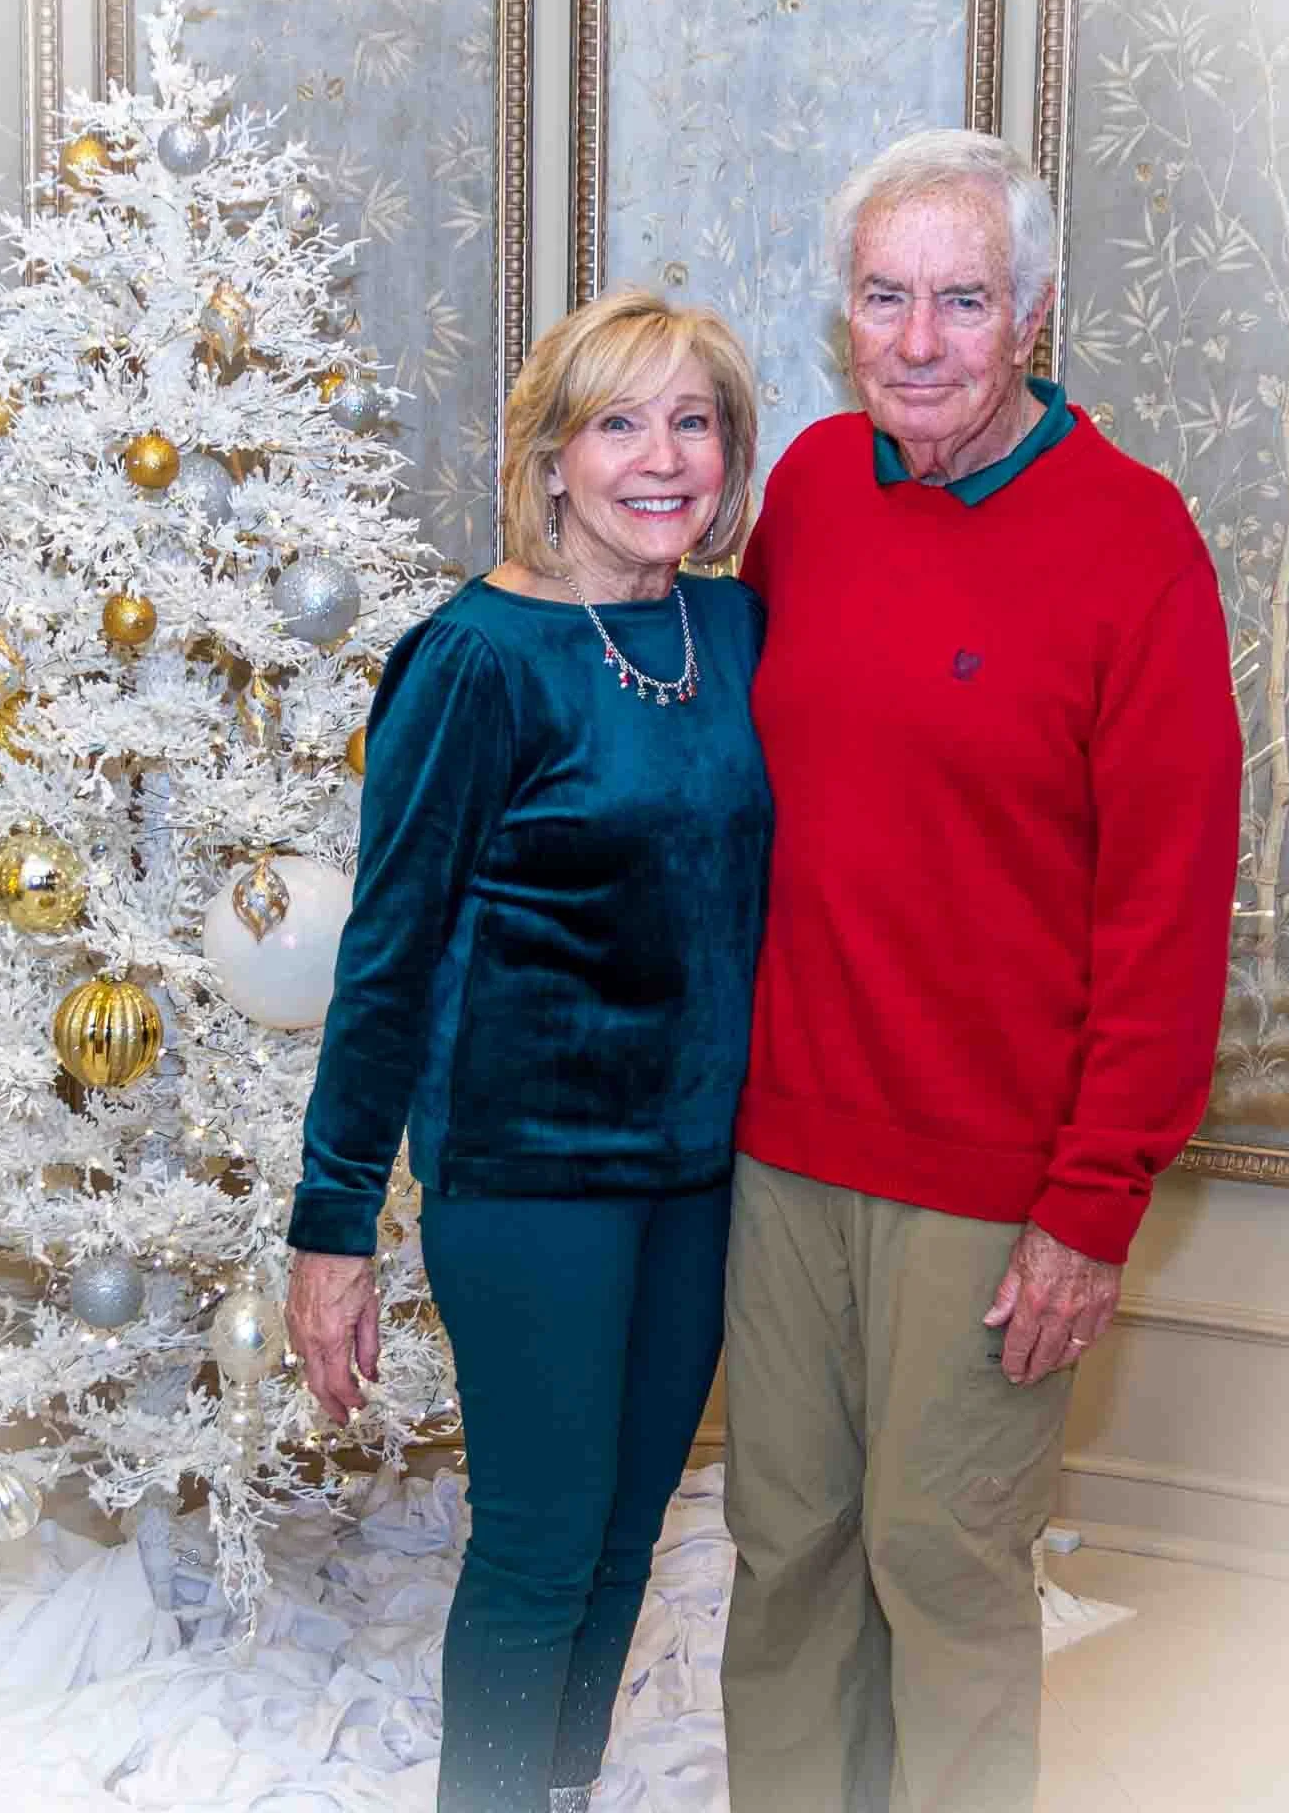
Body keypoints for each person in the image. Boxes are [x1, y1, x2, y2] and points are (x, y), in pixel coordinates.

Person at [720, 130, 1242, 1813]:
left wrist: (1092, 1207)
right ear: (845, 313)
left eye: (961, 299)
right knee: (784, 1550)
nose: (920, 340)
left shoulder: (1133, 540)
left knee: (940, 1560)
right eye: (886, 297)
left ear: (1029, 316)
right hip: (787, 1149)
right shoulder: (805, 490)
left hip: (992, 1178)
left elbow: (1167, 912)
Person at [284, 286, 771, 1813]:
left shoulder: (733, 625)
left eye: (691, 420)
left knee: (630, 1532)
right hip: (528, 1176)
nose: (662, 455)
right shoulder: (474, 658)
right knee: (541, 1542)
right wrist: (332, 1227)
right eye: (620, 420)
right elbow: (386, 957)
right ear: (553, 456)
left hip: (697, 1172)